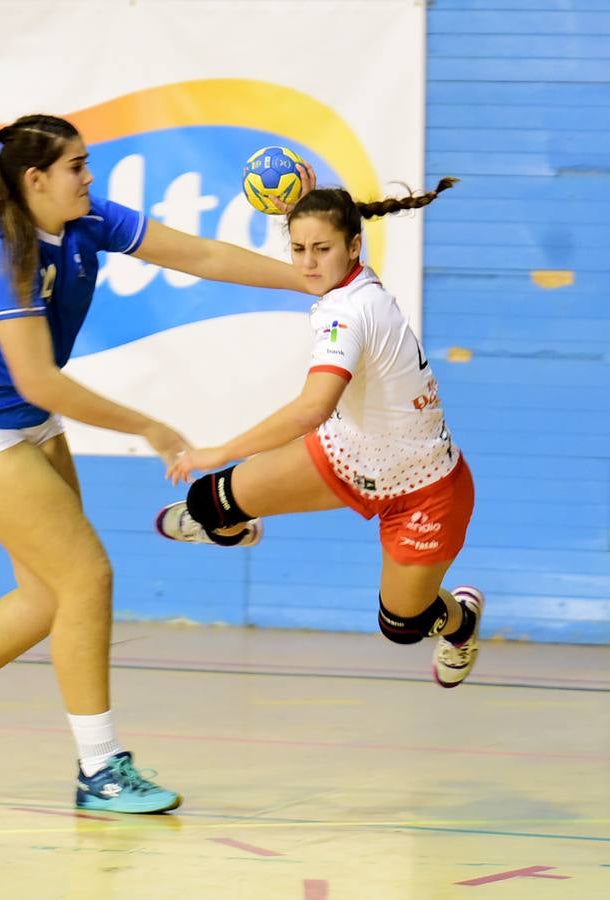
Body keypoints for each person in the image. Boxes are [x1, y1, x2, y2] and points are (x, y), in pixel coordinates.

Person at [0, 114, 315, 814]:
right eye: (77, 167)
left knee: (49, 593)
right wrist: (150, 426)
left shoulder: (85, 221)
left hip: (27, 423)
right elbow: (40, 380)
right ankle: (100, 770)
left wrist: (308, 282)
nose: (90, 177)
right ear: (36, 180)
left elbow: (200, 257)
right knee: (87, 576)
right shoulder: (3, 254)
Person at [156, 178, 485, 688]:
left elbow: (311, 409)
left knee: (402, 625)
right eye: (298, 249)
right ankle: (239, 527)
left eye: (322, 249)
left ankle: (462, 623)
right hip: (346, 457)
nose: (308, 263)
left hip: (424, 491)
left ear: (354, 246)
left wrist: (216, 449)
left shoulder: (350, 312)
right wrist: (308, 207)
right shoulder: (345, 283)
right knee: (209, 503)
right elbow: (240, 260)